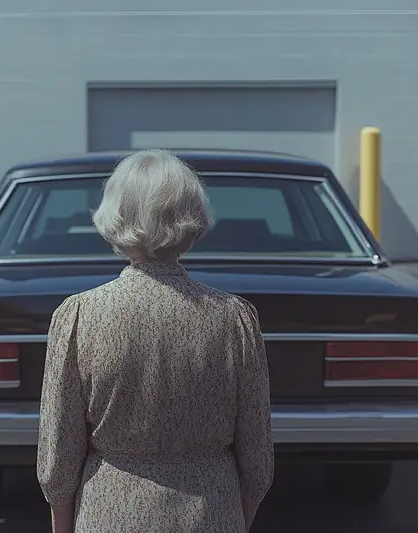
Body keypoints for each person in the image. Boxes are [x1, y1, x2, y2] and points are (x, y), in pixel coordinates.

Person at [37, 149, 274, 533]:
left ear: (114, 217)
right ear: (192, 218)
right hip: (210, 511)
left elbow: (58, 458)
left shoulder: (80, 316)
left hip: (109, 512)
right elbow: (258, 460)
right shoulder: (234, 318)